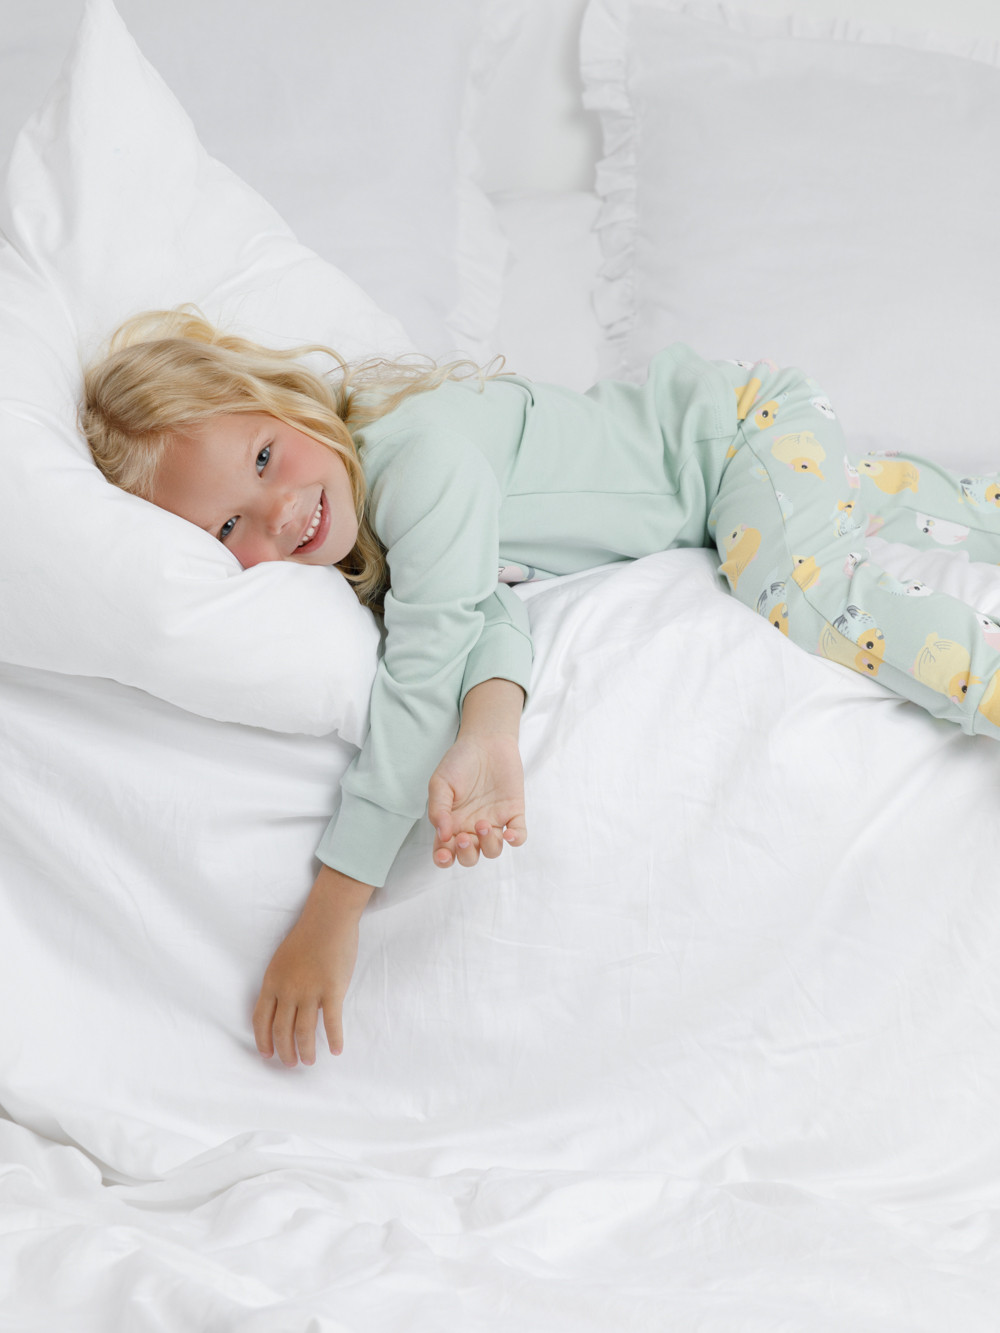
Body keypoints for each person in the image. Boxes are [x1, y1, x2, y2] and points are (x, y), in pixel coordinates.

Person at [80, 306, 1000, 1068]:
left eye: (264, 459)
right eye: (229, 526)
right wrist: (489, 732)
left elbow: (428, 659)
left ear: (286, 405)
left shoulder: (418, 458)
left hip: (735, 438)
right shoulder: (365, 532)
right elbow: (487, 607)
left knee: (802, 588)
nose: (279, 510)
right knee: (868, 509)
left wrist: (335, 905)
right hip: (736, 445)